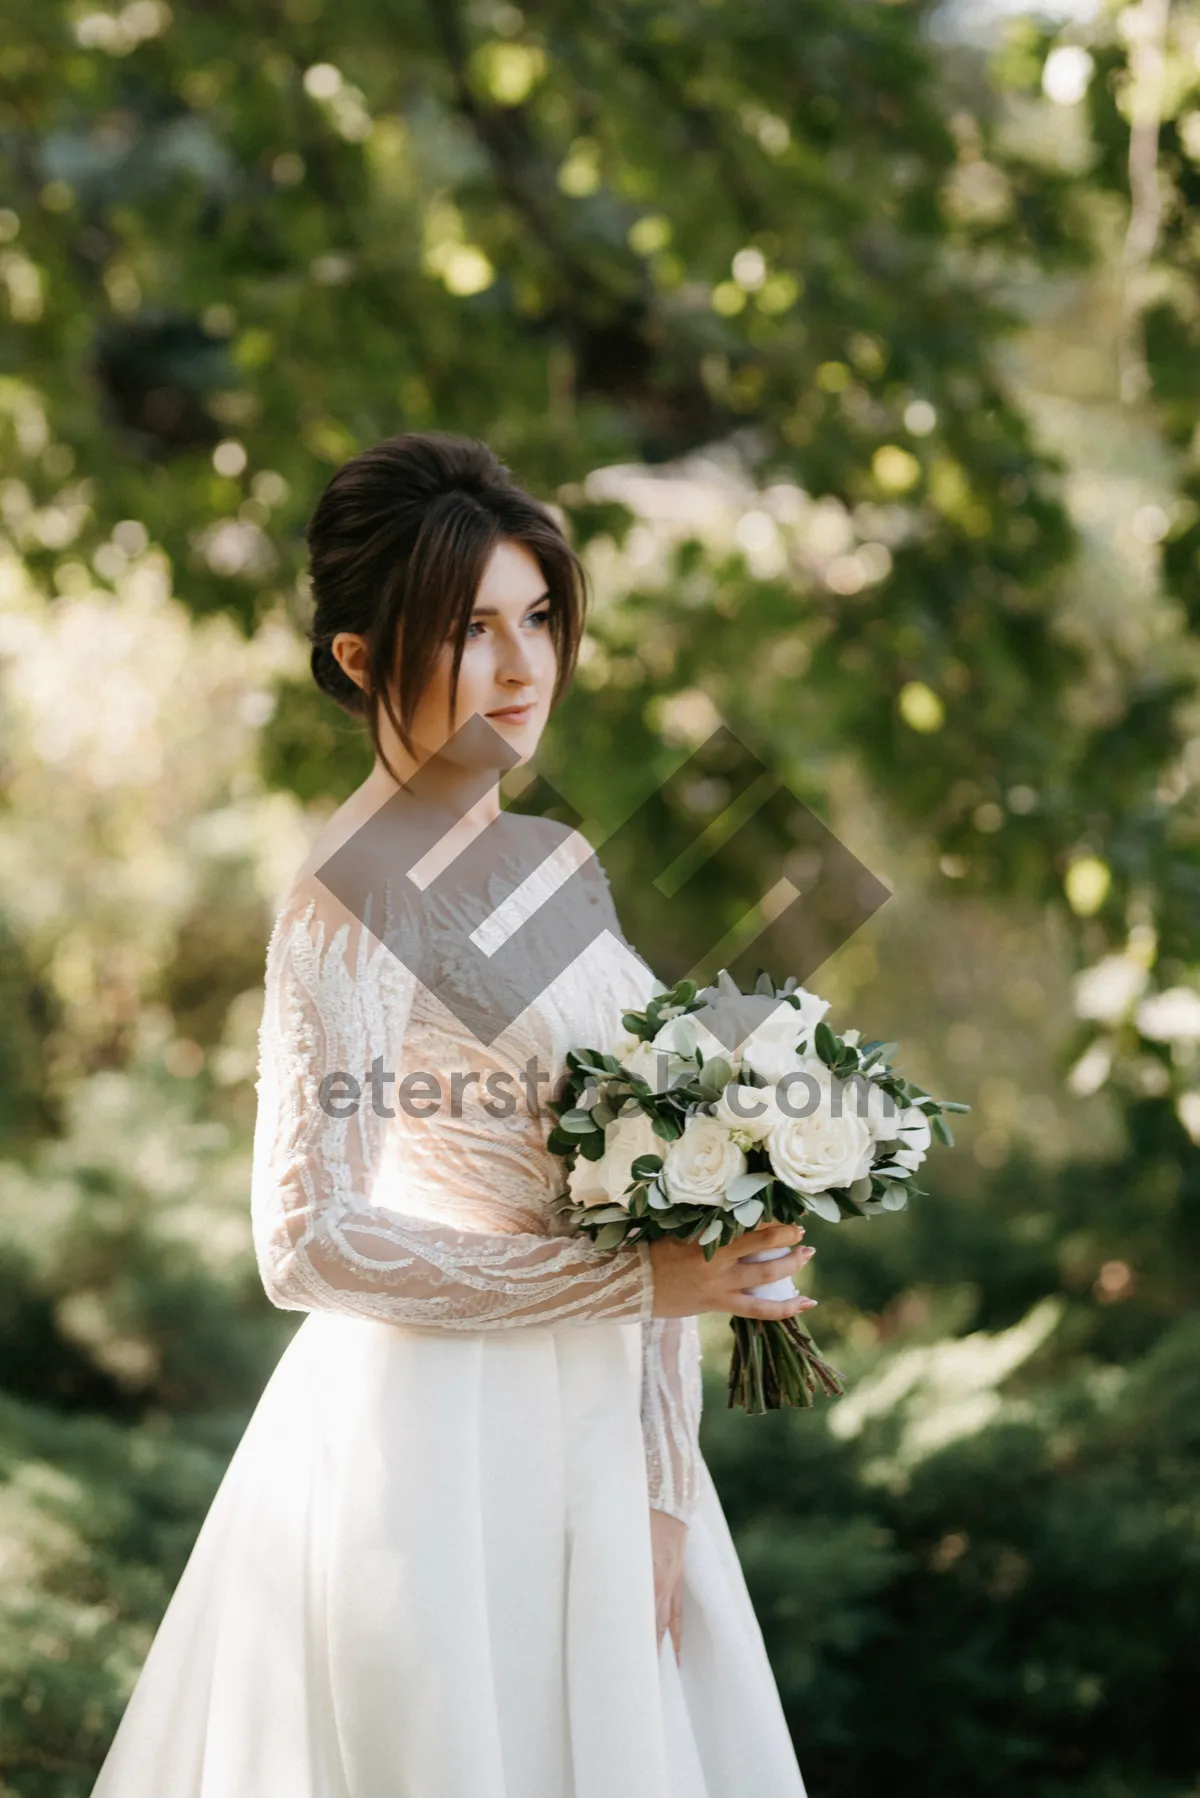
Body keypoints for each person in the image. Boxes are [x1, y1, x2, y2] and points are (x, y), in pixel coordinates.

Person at [90, 431, 817, 1797]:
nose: (522, 663)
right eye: (470, 629)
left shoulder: (554, 859)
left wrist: (665, 1483)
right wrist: (634, 1276)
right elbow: (306, 1241)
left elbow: (655, 1160)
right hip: (438, 1447)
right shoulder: (355, 897)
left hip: (606, 1437)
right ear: (363, 659)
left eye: (538, 616)